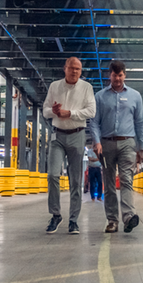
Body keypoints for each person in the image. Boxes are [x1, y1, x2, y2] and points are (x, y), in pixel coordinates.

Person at [87, 61, 143, 234]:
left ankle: (128, 216)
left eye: (120, 75)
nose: (117, 79)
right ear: (109, 75)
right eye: (114, 75)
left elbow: (140, 123)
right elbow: (94, 122)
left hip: (128, 143)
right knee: (109, 182)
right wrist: (97, 142)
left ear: (125, 75)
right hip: (105, 144)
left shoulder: (135, 96)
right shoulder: (100, 96)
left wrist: (141, 148)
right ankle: (112, 220)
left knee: (127, 180)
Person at [42, 57, 96, 235]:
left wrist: (70, 113)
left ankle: (74, 220)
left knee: (76, 180)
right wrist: (55, 111)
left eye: (78, 69)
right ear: (64, 68)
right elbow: (45, 110)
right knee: (52, 175)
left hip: (77, 135)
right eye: (72, 68)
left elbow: (91, 111)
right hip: (57, 135)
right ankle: (56, 215)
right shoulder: (54, 87)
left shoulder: (86, 88)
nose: (75, 72)